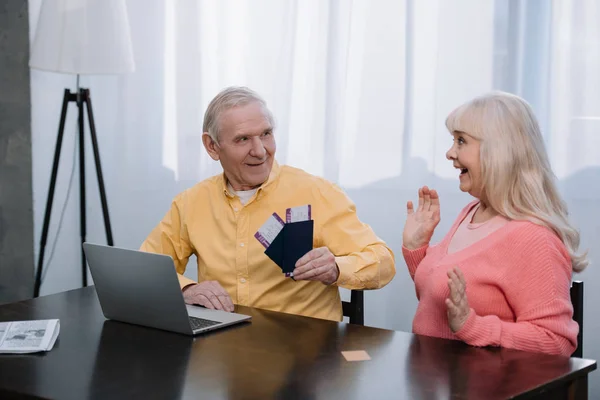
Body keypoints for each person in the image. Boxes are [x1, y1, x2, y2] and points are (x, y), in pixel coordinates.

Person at [141, 86, 396, 321]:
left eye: (266, 134)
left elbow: (383, 261)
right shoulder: (190, 203)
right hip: (223, 347)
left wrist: (337, 269)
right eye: (243, 139)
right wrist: (187, 289)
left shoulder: (316, 192)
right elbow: (145, 268)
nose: (261, 151)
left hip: (305, 352)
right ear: (212, 146)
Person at [402, 91, 587, 356]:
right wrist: (416, 248)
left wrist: (474, 326)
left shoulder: (534, 238)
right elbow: (439, 301)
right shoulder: (472, 211)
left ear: (498, 152)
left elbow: (556, 342)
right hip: (435, 383)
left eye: (461, 141)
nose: (449, 152)